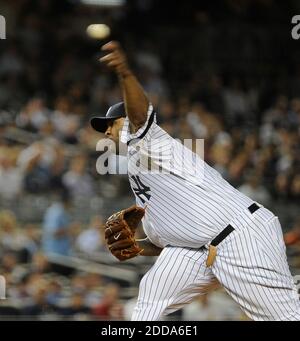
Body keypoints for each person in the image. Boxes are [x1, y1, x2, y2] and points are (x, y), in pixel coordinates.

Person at [90, 41, 300, 321]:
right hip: (199, 249)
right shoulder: (139, 175)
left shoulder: (152, 143)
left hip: (241, 237)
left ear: (126, 121)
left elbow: (140, 116)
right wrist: (141, 245)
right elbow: (169, 238)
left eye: (110, 124)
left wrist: (125, 73)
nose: (106, 132)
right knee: (148, 302)